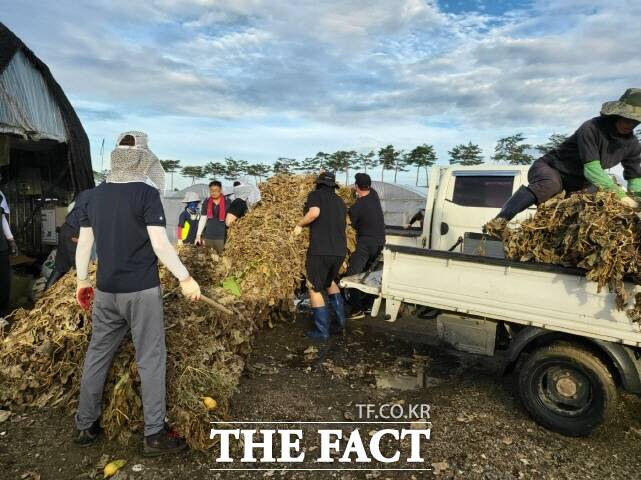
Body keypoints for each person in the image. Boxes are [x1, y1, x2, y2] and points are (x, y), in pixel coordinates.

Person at [73, 131, 201, 457]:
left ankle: (85, 426)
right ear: (143, 159)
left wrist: (82, 281)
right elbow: (160, 245)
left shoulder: (92, 195)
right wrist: (185, 278)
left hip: (105, 291)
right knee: (151, 358)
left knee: (97, 355)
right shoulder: (145, 193)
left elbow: (86, 244)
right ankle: (154, 434)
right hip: (141, 291)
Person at [496, 88, 641, 221]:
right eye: (626, 118)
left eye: (635, 121)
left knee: (595, 200)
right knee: (550, 185)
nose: (630, 124)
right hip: (552, 167)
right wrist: (622, 196)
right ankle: (501, 219)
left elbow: (634, 178)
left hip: (579, 180)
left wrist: (637, 200)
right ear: (616, 114)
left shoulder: (632, 144)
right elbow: (592, 169)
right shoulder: (592, 128)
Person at [294, 171, 347, 339]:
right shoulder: (340, 201)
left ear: (319, 184)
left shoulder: (316, 195)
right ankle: (340, 323)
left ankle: (321, 331)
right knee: (329, 281)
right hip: (339, 251)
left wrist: (299, 225)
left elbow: (314, 213)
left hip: (320, 250)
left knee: (314, 287)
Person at [345, 173, 386, 320]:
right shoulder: (374, 196)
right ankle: (368, 306)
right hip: (380, 242)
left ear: (356, 187)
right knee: (369, 273)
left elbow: (353, 226)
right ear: (370, 186)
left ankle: (357, 310)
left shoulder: (357, 207)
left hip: (366, 243)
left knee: (352, 275)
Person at [44, 189, 92, 290]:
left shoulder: (85, 194)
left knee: (60, 265)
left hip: (65, 228)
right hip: (75, 232)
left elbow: (70, 208)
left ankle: (44, 295)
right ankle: (76, 297)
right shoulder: (100, 198)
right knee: (79, 268)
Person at [195, 180, 230, 253]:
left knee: (221, 258)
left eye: (216, 190)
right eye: (211, 190)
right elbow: (203, 218)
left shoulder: (228, 201)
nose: (213, 192)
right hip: (208, 235)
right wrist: (198, 235)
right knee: (209, 258)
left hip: (222, 236)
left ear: (220, 190)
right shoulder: (206, 201)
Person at [0, 190, 17, 320]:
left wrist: (11, 240)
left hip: (1, 247)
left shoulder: (0, 195)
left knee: (4, 281)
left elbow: (3, 220)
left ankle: (1, 315)